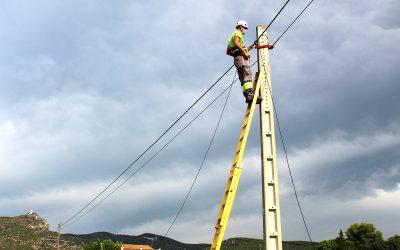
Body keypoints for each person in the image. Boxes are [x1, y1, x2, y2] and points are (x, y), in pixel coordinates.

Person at [226, 20, 272, 103]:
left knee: (242, 78)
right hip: (241, 57)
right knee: (247, 74)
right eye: (245, 28)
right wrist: (244, 52)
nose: (245, 30)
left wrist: (237, 55)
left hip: (237, 59)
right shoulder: (238, 33)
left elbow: (228, 52)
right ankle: (251, 95)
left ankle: (248, 96)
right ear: (240, 27)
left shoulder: (230, 37)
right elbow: (236, 42)